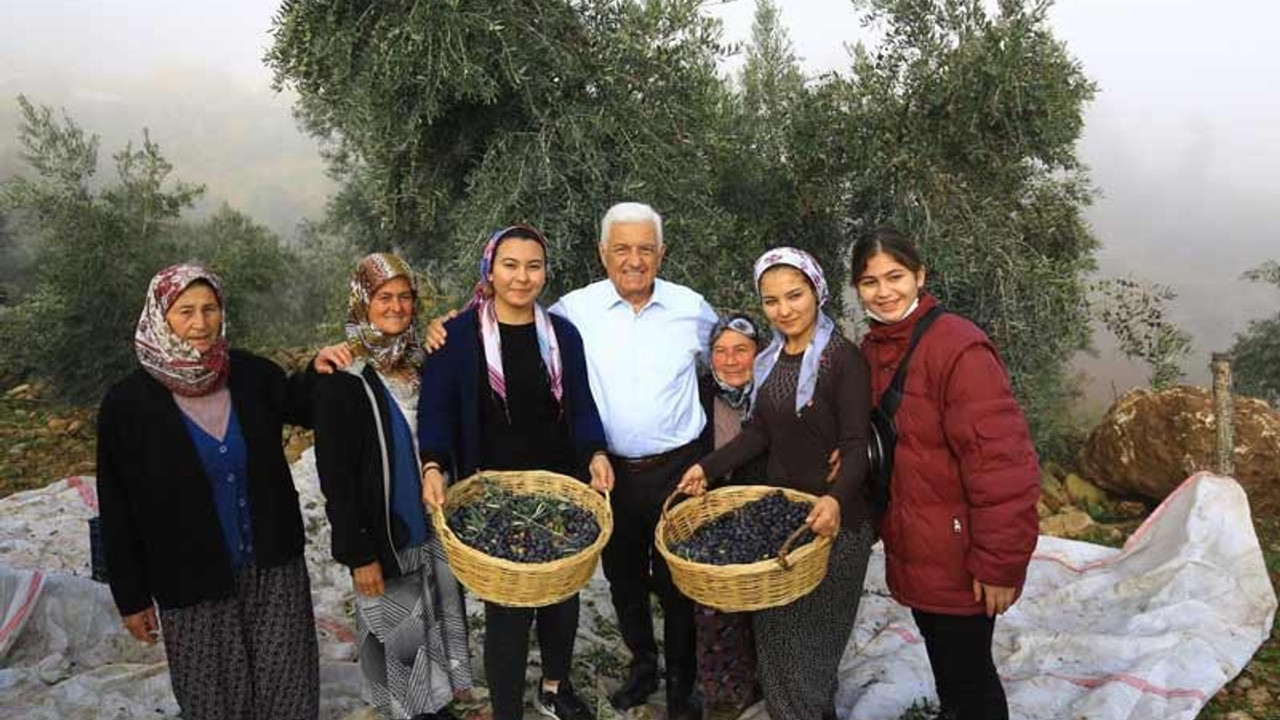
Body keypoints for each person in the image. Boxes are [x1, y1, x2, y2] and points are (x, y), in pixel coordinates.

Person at [96, 264, 319, 720]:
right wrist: (131, 596)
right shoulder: (127, 405)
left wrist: (325, 367)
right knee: (214, 700)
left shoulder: (253, 376)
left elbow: (309, 406)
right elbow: (116, 506)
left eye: (210, 309)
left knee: (289, 693)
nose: (200, 324)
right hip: (189, 579)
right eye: (185, 312)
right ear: (161, 317)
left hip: (273, 569)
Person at [417, 226, 614, 720]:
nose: (522, 277)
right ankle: (507, 708)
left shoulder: (562, 335)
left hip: (556, 489)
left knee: (561, 596)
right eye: (510, 264)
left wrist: (594, 453)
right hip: (491, 495)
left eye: (533, 266)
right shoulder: (458, 337)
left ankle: (553, 688)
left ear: (545, 272)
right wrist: (434, 465)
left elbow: (583, 406)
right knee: (507, 610)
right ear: (490, 268)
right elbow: (436, 411)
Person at [849, 228, 1040, 720]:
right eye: (870, 282)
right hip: (918, 543)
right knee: (949, 668)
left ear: (920, 275)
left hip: (961, 553)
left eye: (895, 276)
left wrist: (998, 565)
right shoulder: (875, 349)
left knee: (970, 676)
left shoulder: (957, 348)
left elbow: (1003, 469)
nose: (884, 291)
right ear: (857, 289)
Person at [678, 247, 875, 720]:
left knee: (809, 658)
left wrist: (834, 499)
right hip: (783, 524)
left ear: (817, 292)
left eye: (795, 295)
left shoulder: (840, 360)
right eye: (771, 300)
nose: (784, 310)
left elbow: (855, 444)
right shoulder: (770, 361)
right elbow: (760, 433)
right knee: (776, 650)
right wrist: (706, 467)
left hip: (834, 526)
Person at [546, 203, 717, 720]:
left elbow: (735, 358)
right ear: (603, 254)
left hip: (678, 470)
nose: (634, 259)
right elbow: (509, 327)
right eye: (622, 248)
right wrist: (449, 323)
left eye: (646, 248)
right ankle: (643, 666)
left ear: (661, 253)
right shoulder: (575, 310)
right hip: (609, 473)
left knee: (679, 582)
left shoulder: (692, 309)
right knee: (623, 578)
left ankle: (684, 684)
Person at [312, 253, 474, 720]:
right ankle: (417, 711)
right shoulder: (343, 377)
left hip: (432, 516)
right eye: (384, 297)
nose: (397, 306)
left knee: (438, 616)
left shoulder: (420, 360)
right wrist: (358, 552)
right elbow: (336, 477)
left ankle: (439, 702)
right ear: (362, 302)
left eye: (405, 297)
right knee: (400, 626)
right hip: (385, 528)